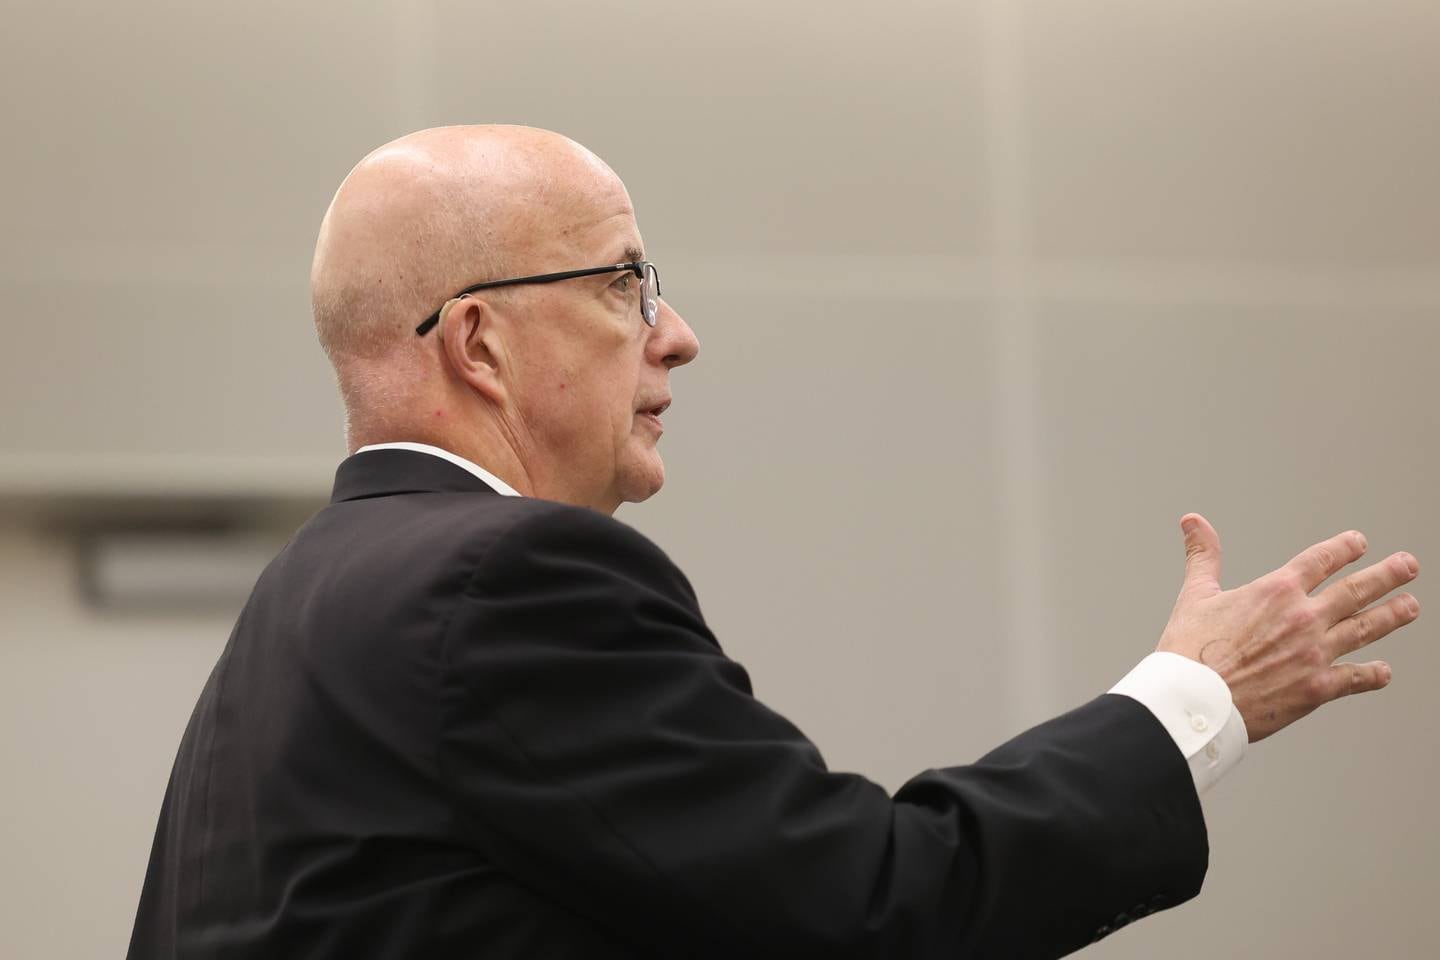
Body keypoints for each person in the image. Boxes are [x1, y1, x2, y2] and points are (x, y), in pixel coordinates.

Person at [126, 125, 1422, 959]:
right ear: (478, 343)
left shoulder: (294, 612)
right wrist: (1196, 699)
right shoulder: (503, 580)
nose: (674, 332)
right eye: (624, 282)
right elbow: (874, 912)